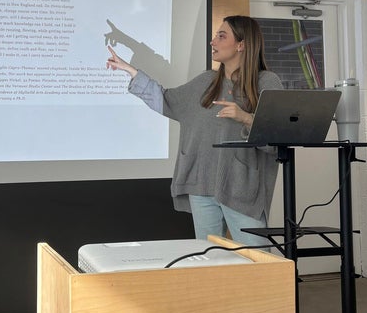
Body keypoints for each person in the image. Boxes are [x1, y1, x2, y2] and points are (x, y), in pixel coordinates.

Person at [105, 15, 283, 246]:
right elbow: (167, 100)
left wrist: (246, 118)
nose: (213, 42)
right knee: (209, 260)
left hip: (243, 190)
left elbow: (279, 138)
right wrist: (132, 71)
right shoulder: (206, 82)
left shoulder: (266, 82)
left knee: (258, 264)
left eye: (221, 36)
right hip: (202, 187)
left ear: (241, 44)